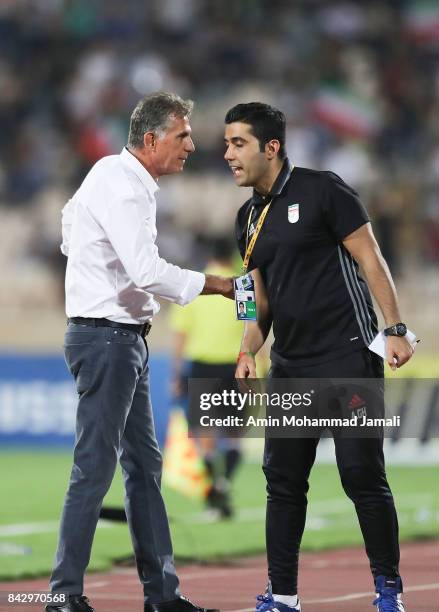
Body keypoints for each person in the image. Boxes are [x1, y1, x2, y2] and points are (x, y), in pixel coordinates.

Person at [224, 102, 415, 612]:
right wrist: (247, 352)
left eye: (238, 143)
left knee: (361, 475)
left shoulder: (324, 189)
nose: (228, 154)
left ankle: (388, 590)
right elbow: (254, 301)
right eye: (226, 144)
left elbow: (371, 257)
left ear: (272, 147)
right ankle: (283, 595)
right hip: (289, 367)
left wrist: (394, 328)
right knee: (283, 483)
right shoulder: (245, 219)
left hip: (347, 356)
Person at [46, 92, 233, 612]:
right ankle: (63, 597)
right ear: (151, 140)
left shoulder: (110, 174)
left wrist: (92, 262)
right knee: (96, 467)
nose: (193, 145)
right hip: (108, 338)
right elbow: (147, 271)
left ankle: (162, 597)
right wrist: (221, 285)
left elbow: (68, 226)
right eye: (183, 135)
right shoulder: (126, 189)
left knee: (144, 468)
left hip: (120, 337)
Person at [169, 238, 243, 518]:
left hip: (202, 368)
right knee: (235, 436)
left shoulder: (197, 285)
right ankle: (223, 485)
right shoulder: (243, 285)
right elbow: (254, 324)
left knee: (206, 437)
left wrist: (176, 373)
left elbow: (180, 335)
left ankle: (216, 487)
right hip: (236, 367)